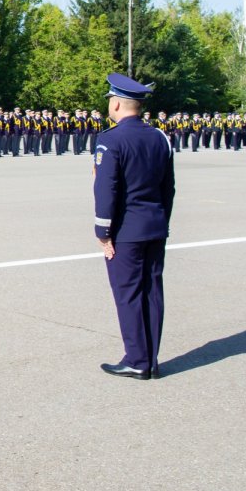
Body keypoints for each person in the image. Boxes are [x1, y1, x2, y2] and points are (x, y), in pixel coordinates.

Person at [93, 73, 176, 381]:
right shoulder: (160, 138)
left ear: (116, 104)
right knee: (152, 292)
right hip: (155, 227)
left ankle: (137, 360)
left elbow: (106, 190)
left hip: (126, 231)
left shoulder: (110, 139)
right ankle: (151, 359)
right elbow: (169, 188)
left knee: (128, 293)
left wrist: (103, 232)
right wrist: (161, 221)